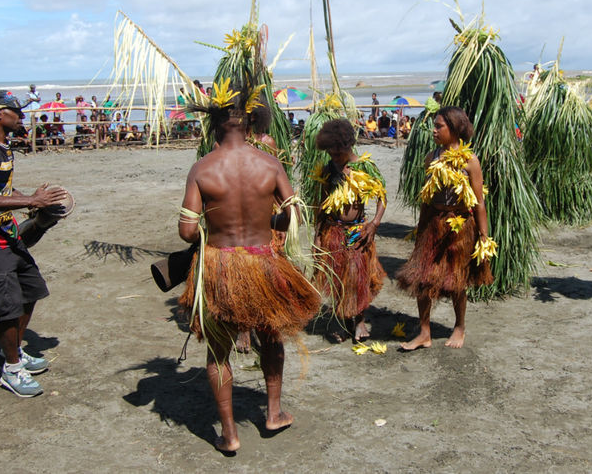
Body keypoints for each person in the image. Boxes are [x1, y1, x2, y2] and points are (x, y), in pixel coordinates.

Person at [176, 85, 319, 453]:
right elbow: (293, 215)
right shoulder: (269, 164)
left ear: (215, 125)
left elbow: (187, 231)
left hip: (220, 264)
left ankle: (229, 434)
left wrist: (212, 230)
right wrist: (270, 223)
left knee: (219, 351)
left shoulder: (202, 168)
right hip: (264, 261)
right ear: (249, 122)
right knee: (271, 337)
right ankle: (272, 413)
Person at [0, 91, 68, 396]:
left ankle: (14, 353)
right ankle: (11, 369)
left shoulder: (2, 147)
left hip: (7, 238)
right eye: (15, 112)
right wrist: (31, 200)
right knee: (7, 308)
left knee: (30, 291)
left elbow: (0, 189)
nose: (20, 117)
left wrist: (28, 202)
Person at [396, 106, 494, 350]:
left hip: (460, 228)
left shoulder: (470, 161)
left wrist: (483, 236)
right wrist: (421, 230)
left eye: (439, 126)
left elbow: (479, 202)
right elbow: (427, 198)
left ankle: (459, 327)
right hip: (433, 225)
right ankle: (424, 332)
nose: (434, 130)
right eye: (435, 126)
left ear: (455, 128)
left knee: (456, 281)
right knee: (422, 278)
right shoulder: (432, 157)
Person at [311, 119, 386, 342]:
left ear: (347, 145)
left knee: (357, 276)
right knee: (338, 277)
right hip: (333, 230)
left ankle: (359, 321)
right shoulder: (328, 169)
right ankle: (344, 322)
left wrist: (374, 223)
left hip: (357, 231)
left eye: (336, 151)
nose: (333, 155)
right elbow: (321, 205)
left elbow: (382, 197)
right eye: (329, 151)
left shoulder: (364, 167)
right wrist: (317, 235)